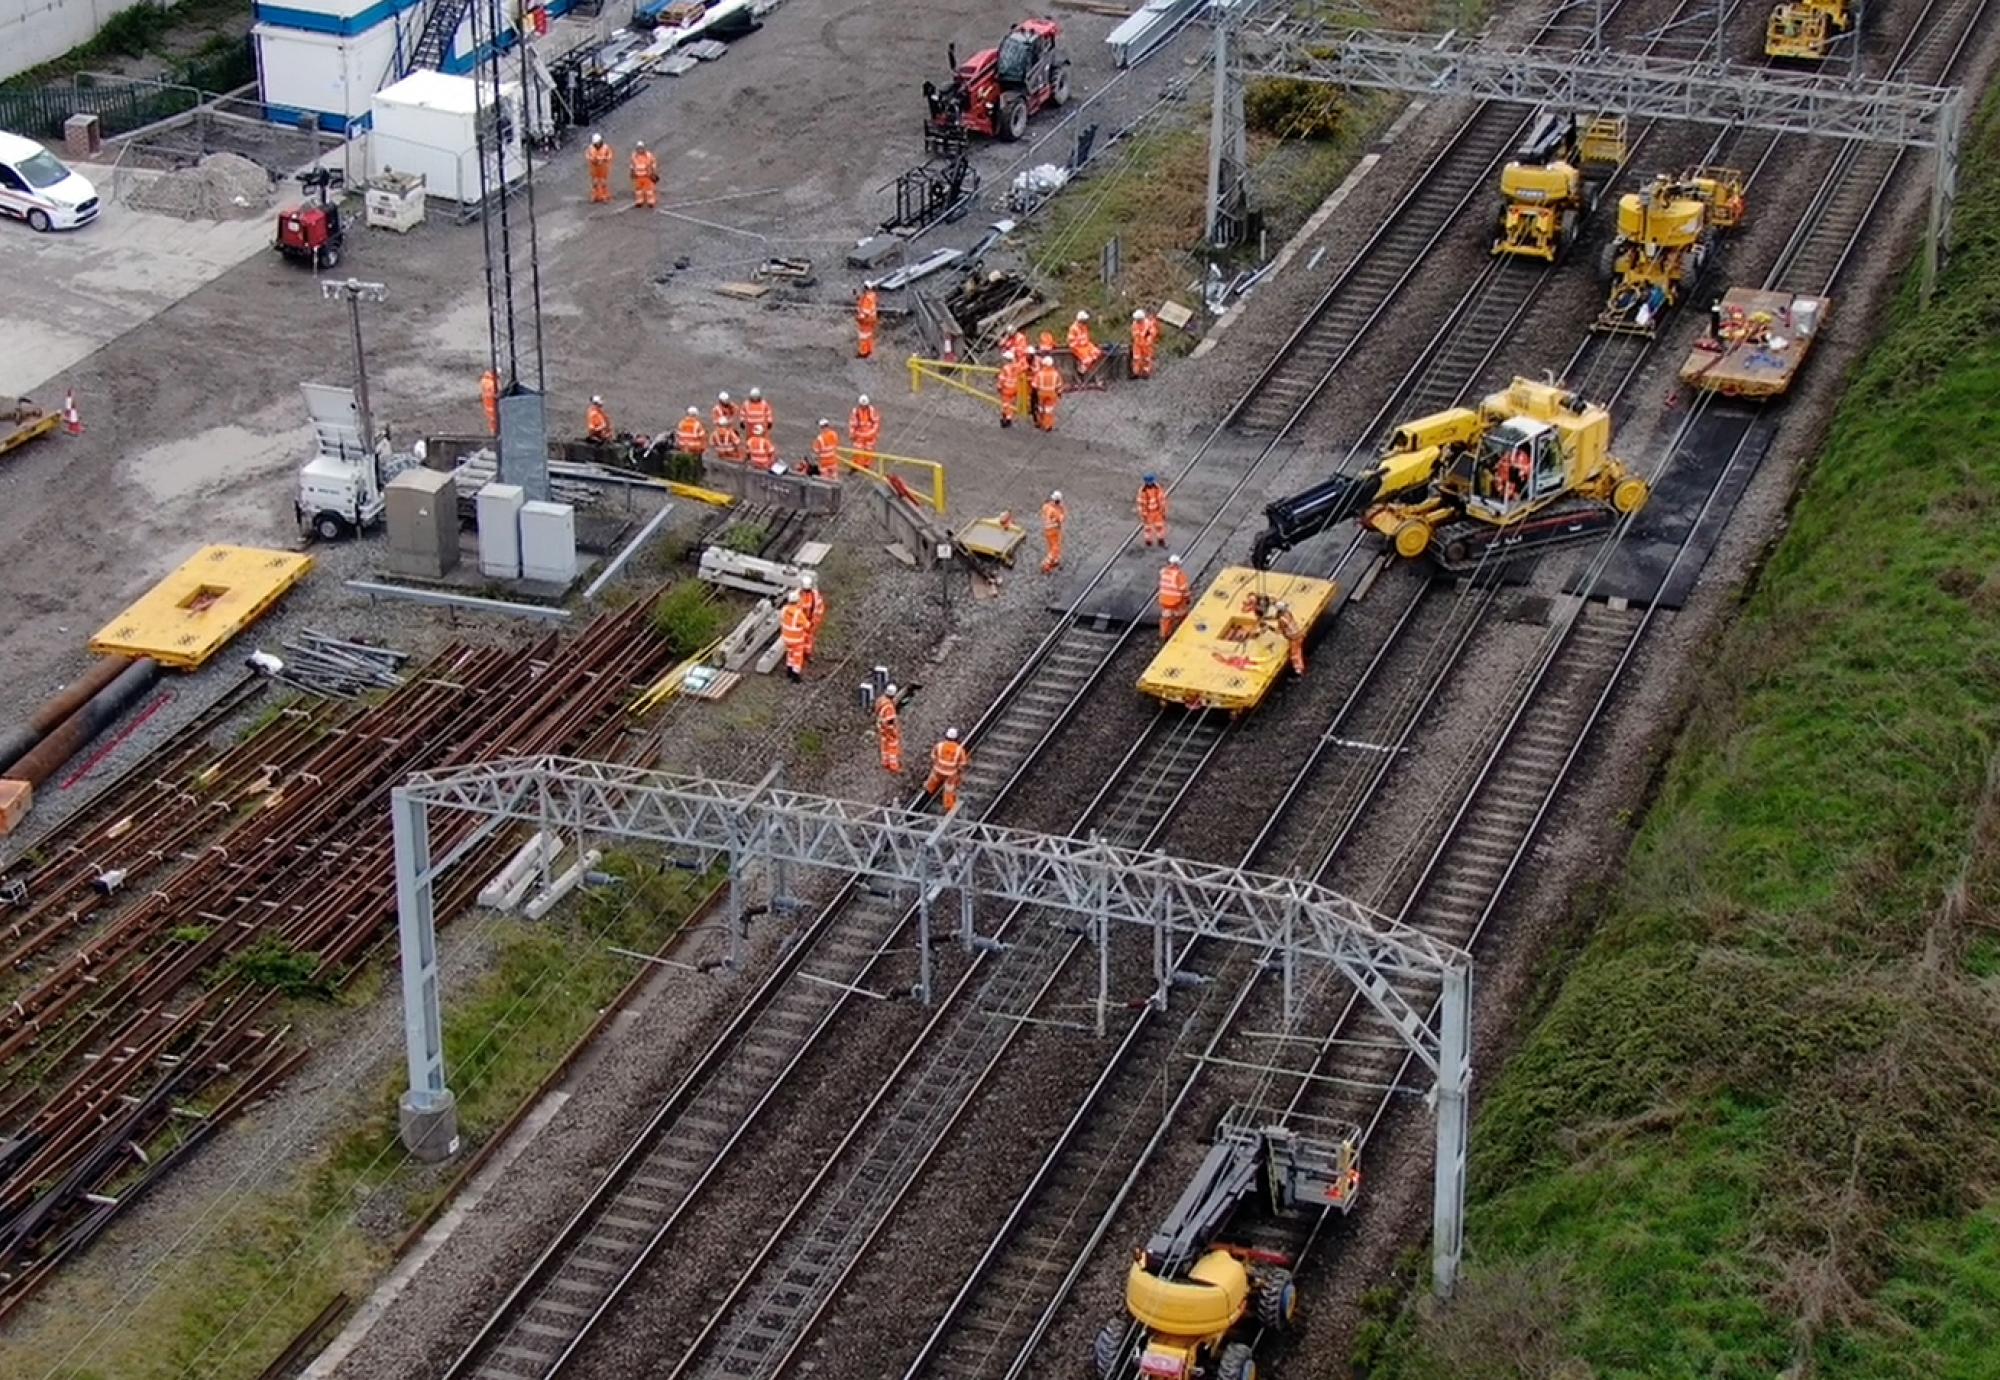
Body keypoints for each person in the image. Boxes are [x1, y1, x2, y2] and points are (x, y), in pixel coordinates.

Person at [926, 728, 970, 813]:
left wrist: (938, 764)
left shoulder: (939, 745)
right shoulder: (959, 750)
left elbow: (933, 756)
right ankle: (948, 805)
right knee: (949, 789)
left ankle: (929, 789)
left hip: (938, 770)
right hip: (950, 774)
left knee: (933, 778)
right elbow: (962, 764)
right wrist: (958, 772)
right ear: (957, 738)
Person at [779, 590, 811, 681]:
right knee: (797, 657)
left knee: (790, 654)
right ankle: (795, 675)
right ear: (797, 601)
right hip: (797, 640)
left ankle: (789, 670)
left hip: (786, 638)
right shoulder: (798, 614)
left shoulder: (784, 609)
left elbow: (782, 619)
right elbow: (807, 626)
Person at [1158, 554, 1192, 640]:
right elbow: (1184, 591)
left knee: (1166, 616)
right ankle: (1184, 629)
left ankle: (1164, 634)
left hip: (1164, 600)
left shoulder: (1164, 572)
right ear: (1177, 564)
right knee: (1182, 613)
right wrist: (1188, 600)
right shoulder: (1179, 575)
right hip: (1176, 601)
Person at [875, 684, 903, 775]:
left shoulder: (881, 700)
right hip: (887, 728)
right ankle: (893, 766)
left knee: (884, 744)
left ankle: (885, 761)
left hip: (881, 726)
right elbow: (890, 721)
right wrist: (893, 732)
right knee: (892, 745)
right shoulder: (889, 707)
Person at [849, 394, 881, 470]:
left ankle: (866, 465)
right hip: (859, 434)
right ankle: (856, 466)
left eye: (865, 406)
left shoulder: (871, 410)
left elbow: (876, 422)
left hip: (869, 435)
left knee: (869, 450)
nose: (863, 407)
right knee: (857, 450)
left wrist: (873, 433)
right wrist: (852, 434)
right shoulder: (856, 411)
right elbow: (852, 424)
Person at [1032, 354, 1063, 432]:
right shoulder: (1055, 373)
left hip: (1041, 394)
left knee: (1041, 409)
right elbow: (1059, 385)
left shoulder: (1039, 373)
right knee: (1049, 411)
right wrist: (1059, 393)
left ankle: (1040, 423)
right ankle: (1048, 426)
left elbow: (1034, 385)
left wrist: (1035, 394)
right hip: (1052, 394)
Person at [995, 349, 1025, 428]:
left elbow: (1001, 379)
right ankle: (1009, 417)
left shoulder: (1005, 368)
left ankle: (1007, 419)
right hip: (1015, 388)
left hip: (1006, 388)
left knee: (1006, 404)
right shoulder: (1018, 366)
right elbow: (1023, 369)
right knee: (1011, 404)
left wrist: (999, 387)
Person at [1067, 310, 1102, 378]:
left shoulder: (1084, 327)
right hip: (1077, 347)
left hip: (1086, 344)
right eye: (1084, 321)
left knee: (1097, 352)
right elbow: (1071, 341)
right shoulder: (1073, 328)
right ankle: (1081, 371)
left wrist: (1086, 342)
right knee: (1087, 359)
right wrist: (1080, 341)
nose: (1085, 322)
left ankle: (1084, 367)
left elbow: (1087, 337)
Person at [1274, 600, 1305, 676]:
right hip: (1298, 633)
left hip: (1293, 637)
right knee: (1298, 651)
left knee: (1295, 654)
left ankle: (1298, 671)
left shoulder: (1281, 619)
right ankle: (1300, 668)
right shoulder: (1288, 613)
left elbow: (1280, 630)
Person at [1136, 474, 1168, 547]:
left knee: (1159, 526)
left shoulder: (1158, 488)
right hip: (1148, 513)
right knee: (1148, 528)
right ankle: (1148, 541)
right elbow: (1141, 504)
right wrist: (1143, 515)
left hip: (1157, 511)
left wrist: (1163, 511)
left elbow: (1162, 500)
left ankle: (1160, 540)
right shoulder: (1142, 491)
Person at [798, 571, 826, 652]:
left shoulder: (815, 596)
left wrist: (814, 622)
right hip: (802, 622)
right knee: (802, 637)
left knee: (809, 637)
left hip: (810, 620)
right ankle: (804, 651)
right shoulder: (798, 595)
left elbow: (819, 609)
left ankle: (807, 652)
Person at [1040, 489, 1066, 574]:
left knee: (1051, 545)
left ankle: (1055, 559)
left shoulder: (1046, 507)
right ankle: (1046, 563)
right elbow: (1061, 519)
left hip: (1047, 530)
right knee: (1055, 547)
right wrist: (1062, 510)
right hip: (1054, 530)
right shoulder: (1056, 511)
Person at [711, 392, 743, 463]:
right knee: (733, 441)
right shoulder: (716, 410)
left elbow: (736, 409)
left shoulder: (730, 406)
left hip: (726, 428)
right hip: (725, 429)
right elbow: (715, 421)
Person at [1130, 308, 1159, 380]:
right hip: (1137, 344)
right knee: (1136, 358)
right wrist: (1140, 335)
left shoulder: (1148, 323)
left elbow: (1153, 333)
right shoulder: (1134, 324)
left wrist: (1148, 337)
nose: (1137, 321)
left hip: (1147, 344)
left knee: (1147, 358)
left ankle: (1146, 372)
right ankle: (1136, 372)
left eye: (1138, 320)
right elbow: (1134, 333)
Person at [630, 141, 659, 209]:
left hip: (647, 176)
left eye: (641, 148)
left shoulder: (649, 155)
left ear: (644, 148)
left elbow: (653, 163)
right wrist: (632, 172)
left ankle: (650, 202)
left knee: (649, 190)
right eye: (639, 148)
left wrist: (653, 172)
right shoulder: (634, 156)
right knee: (638, 190)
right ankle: (639, 201)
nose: (640, 150)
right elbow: (632, 165)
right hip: (638, 176)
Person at [586, 133, 612, 204]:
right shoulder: (590, 147)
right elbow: (587, 155)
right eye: (595, 143)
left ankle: (604, 196)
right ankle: (595, 196)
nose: (597, 144)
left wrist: (605, 159)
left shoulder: (605, 147)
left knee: (603, 182)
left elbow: (610, 155)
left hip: (603, 167)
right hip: (594, 167)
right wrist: (592, 159)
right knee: (595, 182)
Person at [855, 284, 879, 359]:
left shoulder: (866, 299)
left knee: (863, 336)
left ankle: (863, 352)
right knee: (869, 335)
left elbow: (865, 311)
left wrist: (859, 318)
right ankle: (869, 349)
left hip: (866, 320)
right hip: (872, 319)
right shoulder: (872, 296)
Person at [480, 368, 499, 436]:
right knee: (494, 421)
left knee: (492, 422)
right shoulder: (492, 383)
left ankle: (494, 433)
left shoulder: (485, 380)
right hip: (493, 406)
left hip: (489, 406)